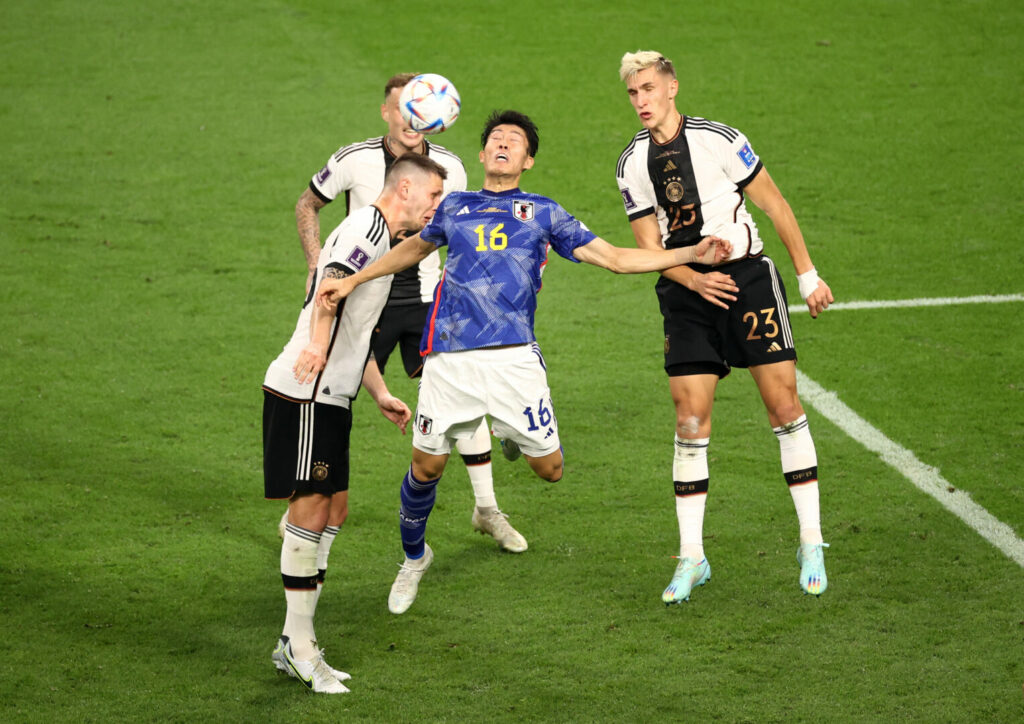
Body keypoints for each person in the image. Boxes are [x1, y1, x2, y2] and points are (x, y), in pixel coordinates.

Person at [316, 110, 733, 615]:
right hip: (450, 358)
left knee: (551, 470)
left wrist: (691, 252)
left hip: (515, 361)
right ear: (482, 154)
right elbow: (409, 251)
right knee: (424, 468)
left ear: (528, 160)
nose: (503, 144)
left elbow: (618, 259)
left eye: (514, 141)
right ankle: (414, 558)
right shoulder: (454, 207)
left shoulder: (544, 213)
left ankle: (511, 434)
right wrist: (354, 279)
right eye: (495, 138)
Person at [615, 50, 835, 604]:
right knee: (690, 419)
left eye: (647, 89)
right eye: (632, 93)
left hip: (748, 282)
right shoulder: (631, 162)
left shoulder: (719, 139)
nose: (640, 101)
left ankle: (811, 539)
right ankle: (692, 557)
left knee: (783, 406)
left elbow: (776, 204)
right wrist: (692, 281)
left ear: (672, 88)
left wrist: (807, 276)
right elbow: (648, 249)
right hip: (685, 290)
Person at [287, 73, 527, 554]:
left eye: (423, 110)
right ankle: (303, 500)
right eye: (405, 108)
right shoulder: (355, 159)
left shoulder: (451, 170)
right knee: (327, 397)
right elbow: (308, 204)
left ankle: (486, 509)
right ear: (388, 113)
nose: (414, 119)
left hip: (425, 299)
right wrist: (318, 264)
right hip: (362, 303)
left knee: (460, 400)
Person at [263, 154, 446, 693]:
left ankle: (293, 642)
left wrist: (380, 390)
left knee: (335, 507)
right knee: (313, 507)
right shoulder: (367, 226)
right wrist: (318, 347)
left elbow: (356, 325)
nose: (436, 206)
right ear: (405, 188)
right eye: (432, 196)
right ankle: (298, 645)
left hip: (333, 395)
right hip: (307, 392)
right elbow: (330, 289)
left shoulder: (385, 240)